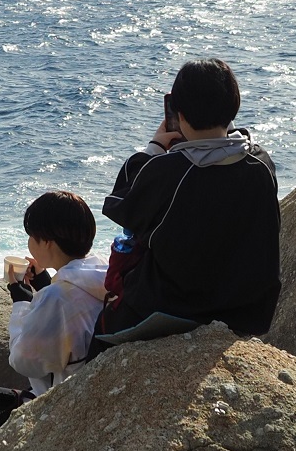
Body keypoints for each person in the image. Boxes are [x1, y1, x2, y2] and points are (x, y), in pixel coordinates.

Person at [98, 57, 280, 339]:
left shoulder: (169, 170)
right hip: (247, 310)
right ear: (233, 106)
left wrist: (155, 147)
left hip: (173, 308)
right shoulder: (261, 164)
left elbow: (123, 206)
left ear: (178, 114)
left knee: (101, 332)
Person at [4, 190, 107, 393]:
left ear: (46, 242)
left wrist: (21, 303)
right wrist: (44, 281)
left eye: (32, 236)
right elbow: (73, 309)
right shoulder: (103, 271)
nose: (30, 242)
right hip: (93, 385)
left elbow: (23, 361)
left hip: (60, 398)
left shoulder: (56, 297)